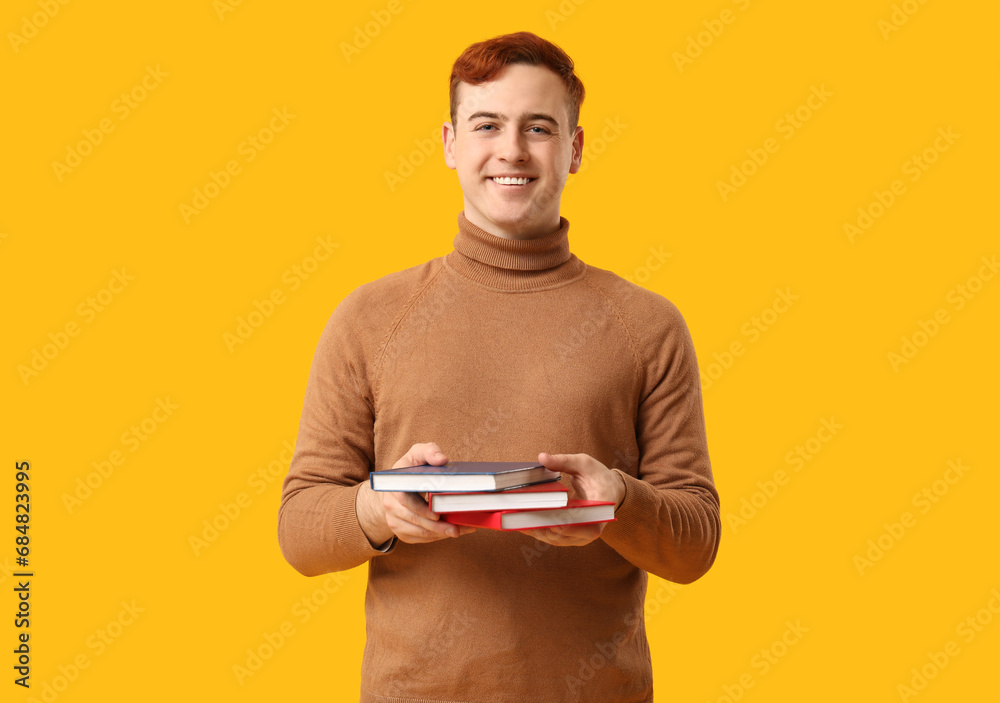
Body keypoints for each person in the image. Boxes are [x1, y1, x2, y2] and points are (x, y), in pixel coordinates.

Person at [278, 30, 720, 702]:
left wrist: (617, 501)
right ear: (452, 143)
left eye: (538, 128)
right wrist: (378, 508)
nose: (511, 150)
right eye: (488, 125)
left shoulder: (648, 326)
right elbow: (300, 527)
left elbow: (696, 541)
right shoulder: (369, 317)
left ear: (573, 150)